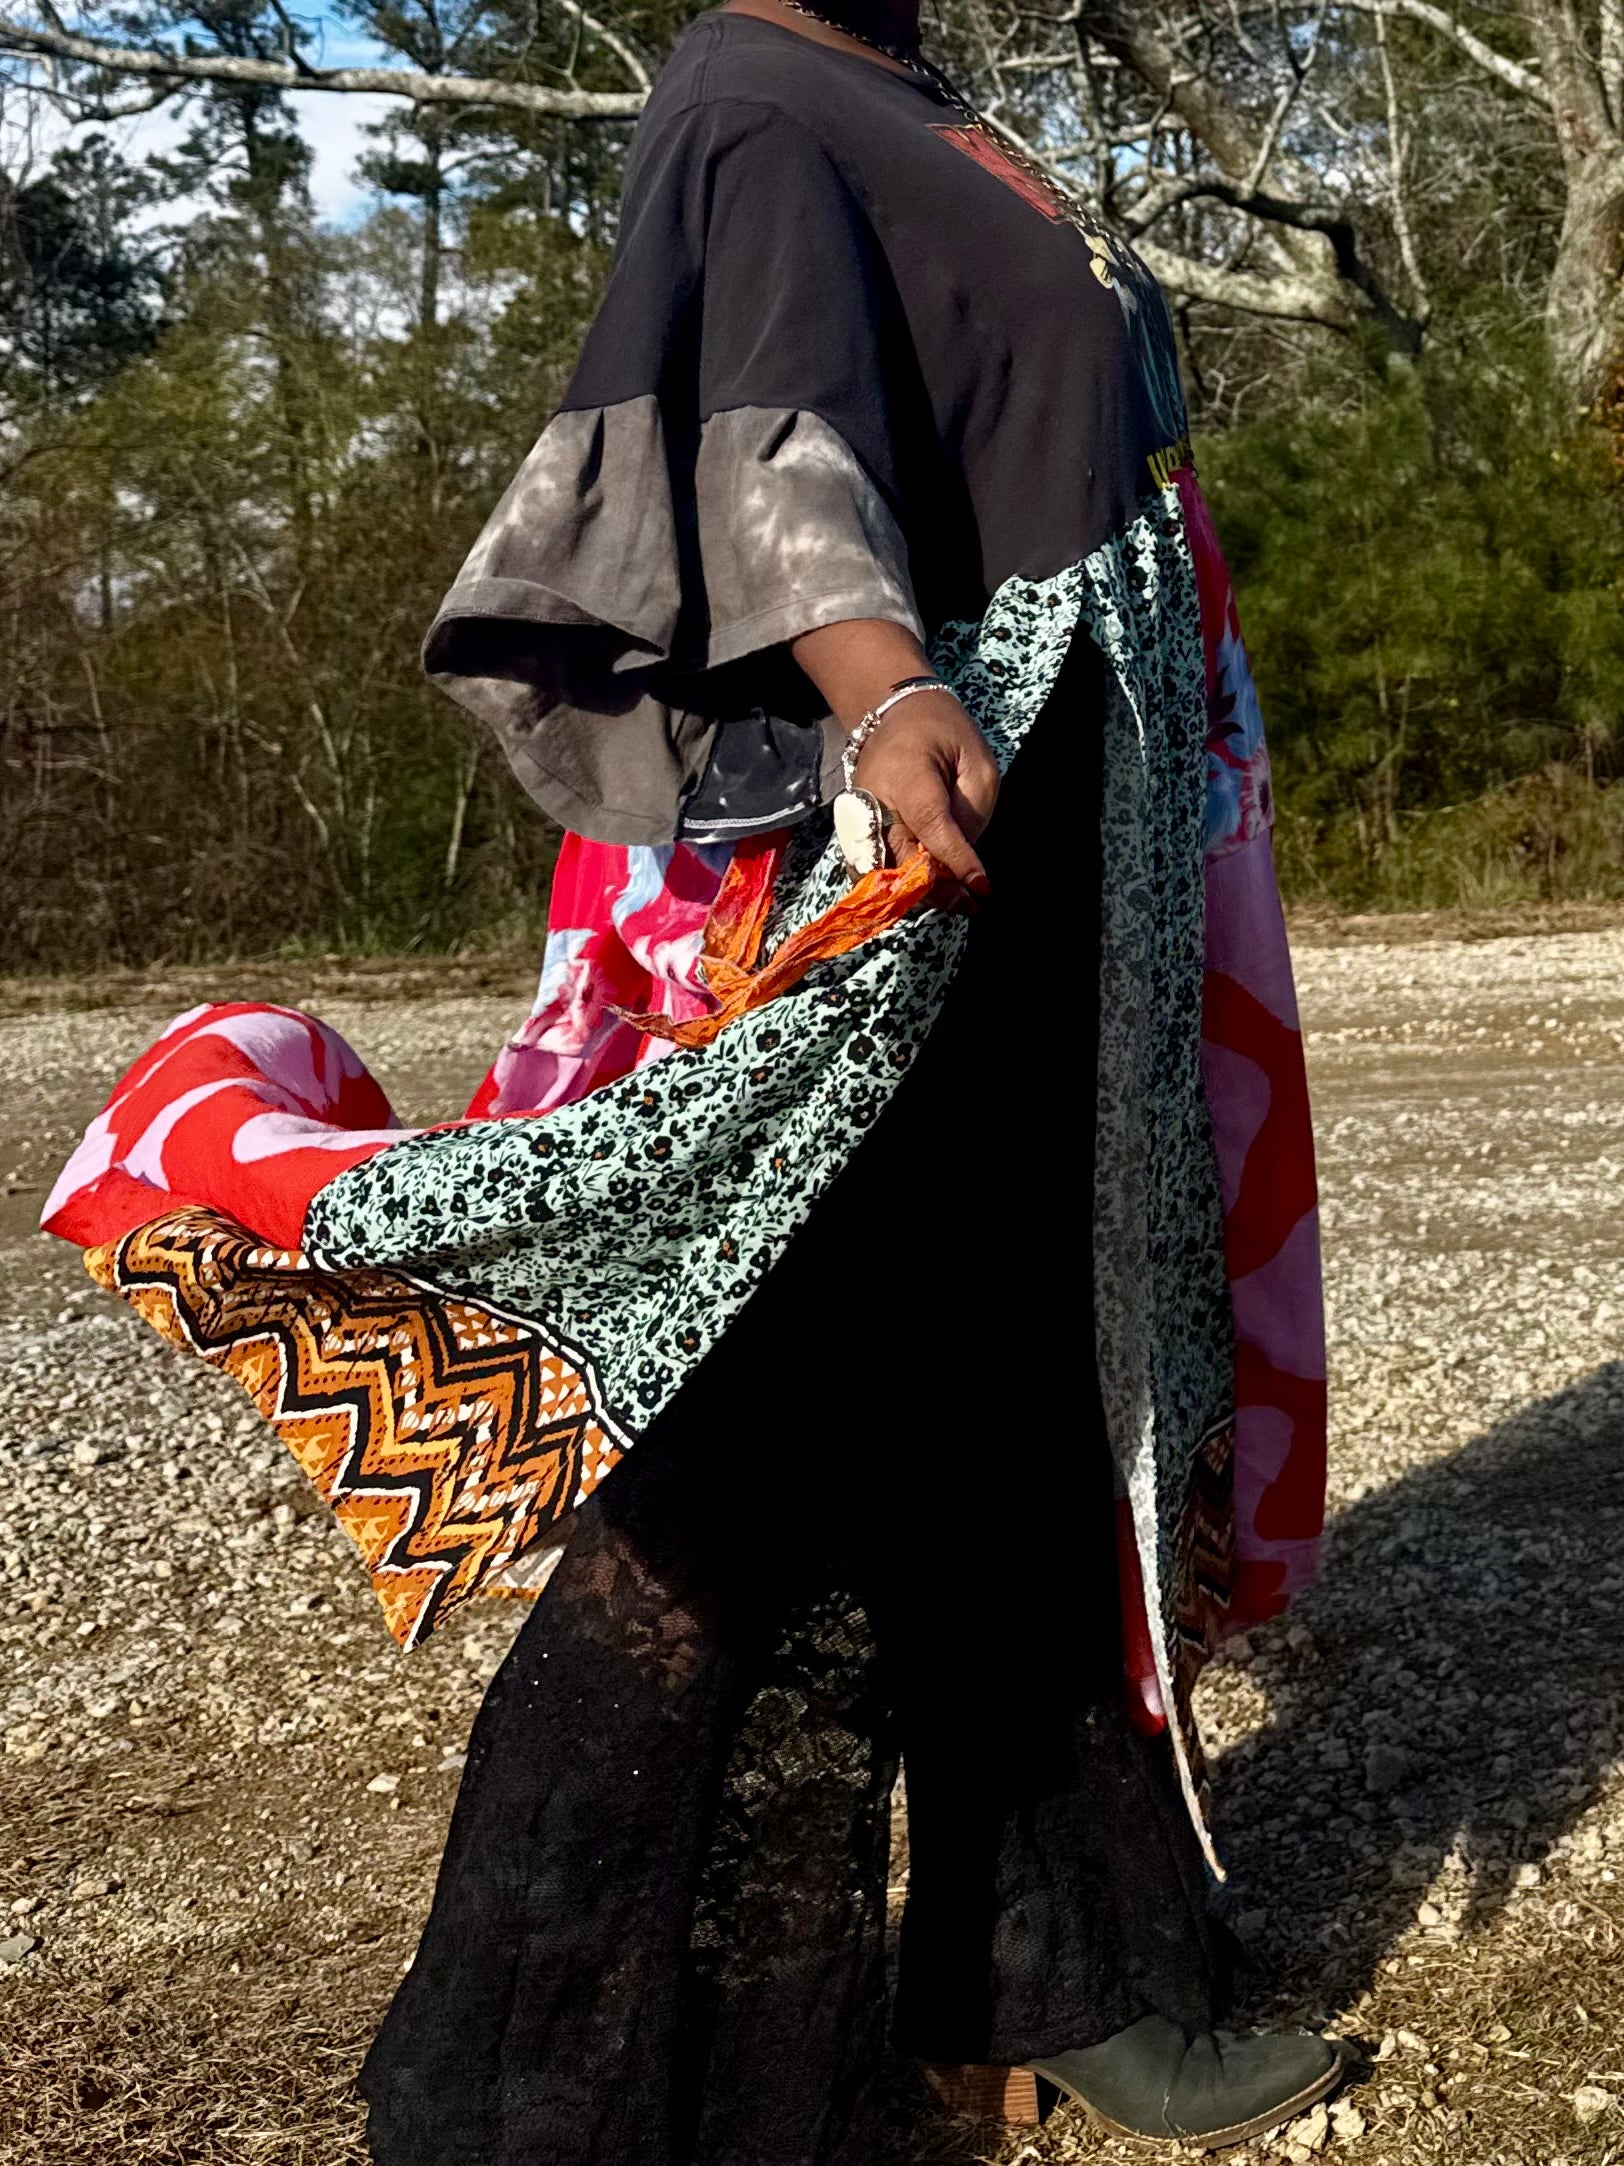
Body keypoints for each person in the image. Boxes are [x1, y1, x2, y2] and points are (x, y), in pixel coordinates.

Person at [42, 0, 1336, 2157]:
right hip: (919, 830)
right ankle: (535, 2079)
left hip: (1069, 841)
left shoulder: (925, 103)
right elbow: (767, 437)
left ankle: (1064, 1960)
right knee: (765, 1420)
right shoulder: (755, 93)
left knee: (1016, 1391)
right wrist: (884, 691)